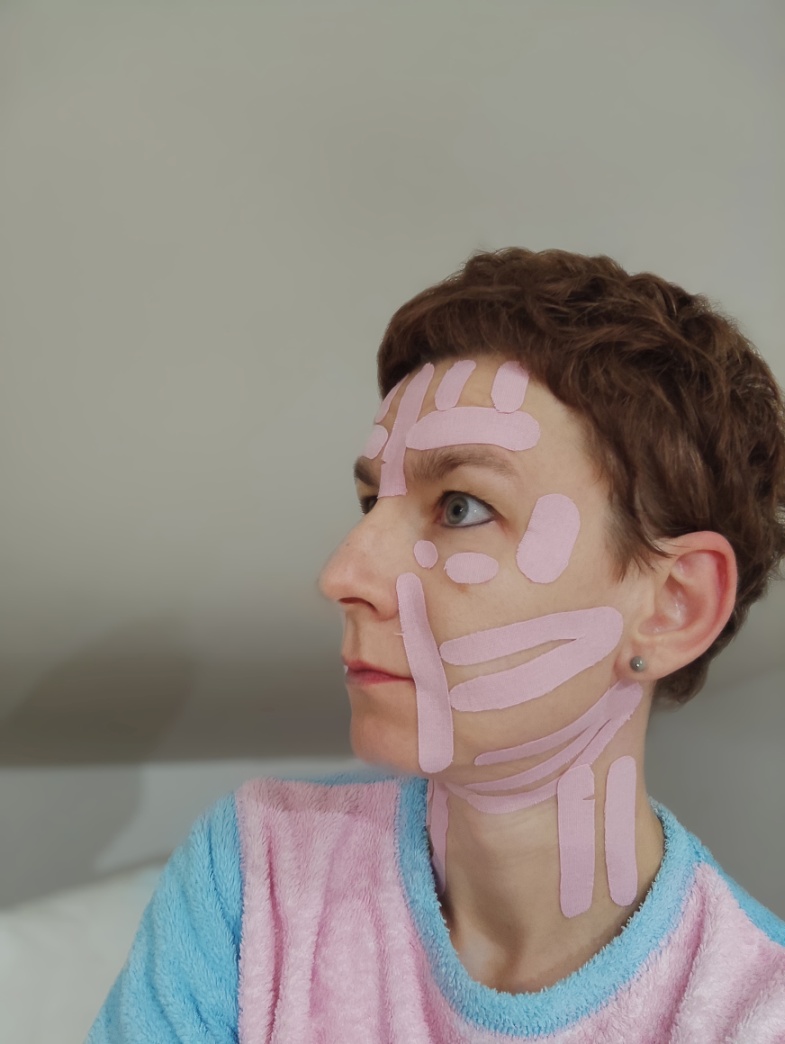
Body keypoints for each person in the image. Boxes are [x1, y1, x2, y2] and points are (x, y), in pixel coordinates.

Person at [88, 248, 785, 1043]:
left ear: (672, 606)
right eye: (369, 502)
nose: (342, 574)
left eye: (460, 507)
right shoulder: (257, 875)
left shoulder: (754, 1013)